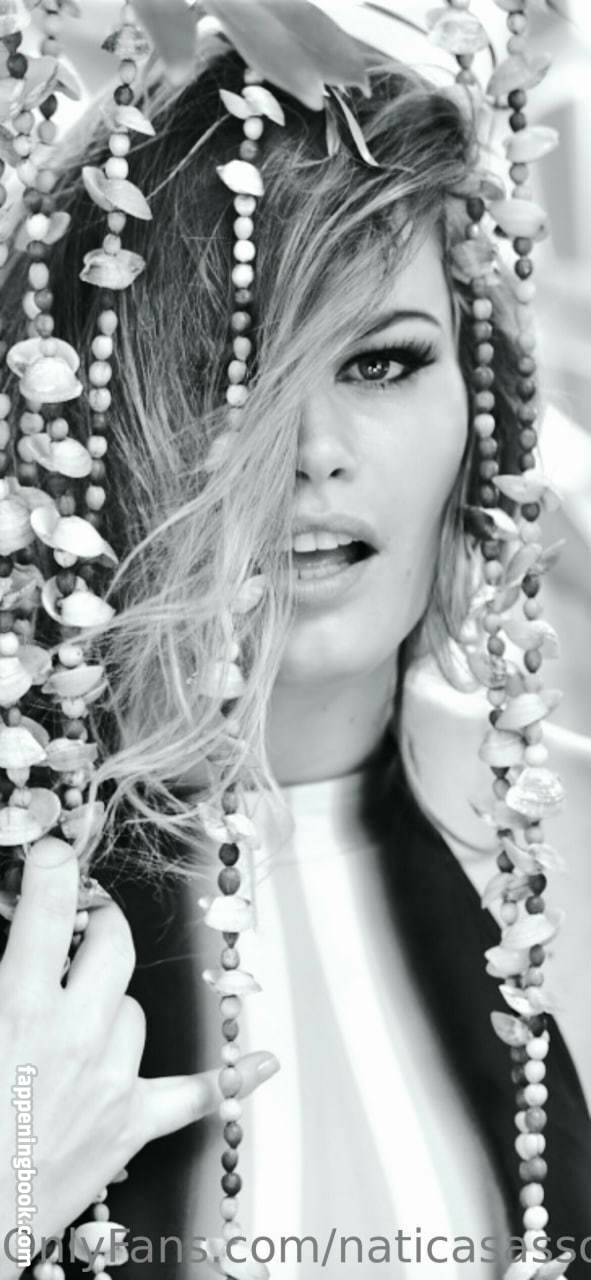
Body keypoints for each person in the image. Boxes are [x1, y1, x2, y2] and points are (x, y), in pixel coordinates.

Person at [0, 11, 589, 1280]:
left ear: (478, 409)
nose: (315, 451)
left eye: (382, 363)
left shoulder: (577, 846)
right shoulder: (22, 911)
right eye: (235, 374)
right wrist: (9, 1181)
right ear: (99, 430)